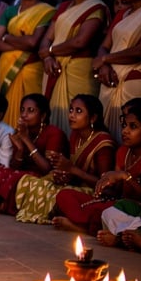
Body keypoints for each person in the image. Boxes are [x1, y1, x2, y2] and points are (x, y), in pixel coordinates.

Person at [0, 93, 68, 214]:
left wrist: (26, 140)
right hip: (8, 174)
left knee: (13, 178)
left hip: (46, 177)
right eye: (22, 110)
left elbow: (47, 170)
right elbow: (12, 167)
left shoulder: (52, 133)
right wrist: (19, 151)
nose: (24, 115)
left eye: (31, 110)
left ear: (43, 116)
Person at [39, 0, 108, 136]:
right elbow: (47, 38)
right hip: (55, 68)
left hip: (79, 71)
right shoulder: (63, 7)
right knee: (57, 116)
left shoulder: (96, 7)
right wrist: (47, 58)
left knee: (80, 117)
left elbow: (80, 42)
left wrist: (50, 52)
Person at [23, 93, 113, 227]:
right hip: (76, 186)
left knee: (63, 195)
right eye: (71, 110)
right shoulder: (75, 136)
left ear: (93, 118)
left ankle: (76, 224)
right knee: (38, 183)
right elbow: (74, 172)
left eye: (78, 111)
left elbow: (106, 185)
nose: (71, 115)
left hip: (94, 193)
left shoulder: (103, 143)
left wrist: (72, 169)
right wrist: (65, 175)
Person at [0, 0, 55, 128]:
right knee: (9, 111)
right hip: (7, 69)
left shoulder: (47, 11)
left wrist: (7, 37)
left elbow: (33, 43)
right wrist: (21, 40)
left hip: (31, 69)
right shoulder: (10, 11)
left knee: (32, 111)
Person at [94, 0, 141, 144]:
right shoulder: (123, 14)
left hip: (134, 83)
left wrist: (105, 59)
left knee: (133, 136)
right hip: (110, 82)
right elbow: (104, 44)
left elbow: (139, 51)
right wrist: (104, 65)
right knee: (109, 138)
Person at [95, 98, 141, 251]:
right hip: (130, 209)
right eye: (124, 126)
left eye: (132, 127)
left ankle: (122, 238)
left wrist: (125, 176)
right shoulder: (122, 152)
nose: (125, 131)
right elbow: (118, 193)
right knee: (110, 211)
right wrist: (105, 187)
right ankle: (126, 236)